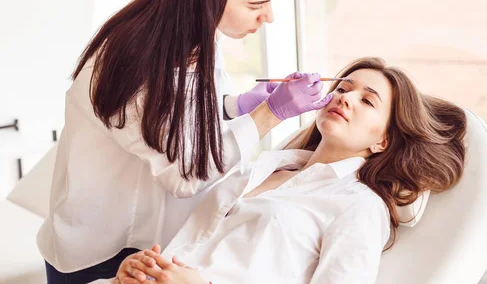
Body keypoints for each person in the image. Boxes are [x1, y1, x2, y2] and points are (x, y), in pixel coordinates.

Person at [38, 0, 334, 284]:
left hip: (159, 240)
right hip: (100, 251)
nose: (269, 17)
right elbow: (185, 173)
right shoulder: (135, 60)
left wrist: (235, 105)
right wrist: (269, 114)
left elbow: (187, 111)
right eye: (256, 5)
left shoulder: (198, 33)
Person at [113, 57, 468, 284]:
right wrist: (143, 268)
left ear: (383, 142)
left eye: (367, 100)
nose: (345, 97)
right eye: (343, 88)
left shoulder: (359, 206)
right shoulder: (266, 166)